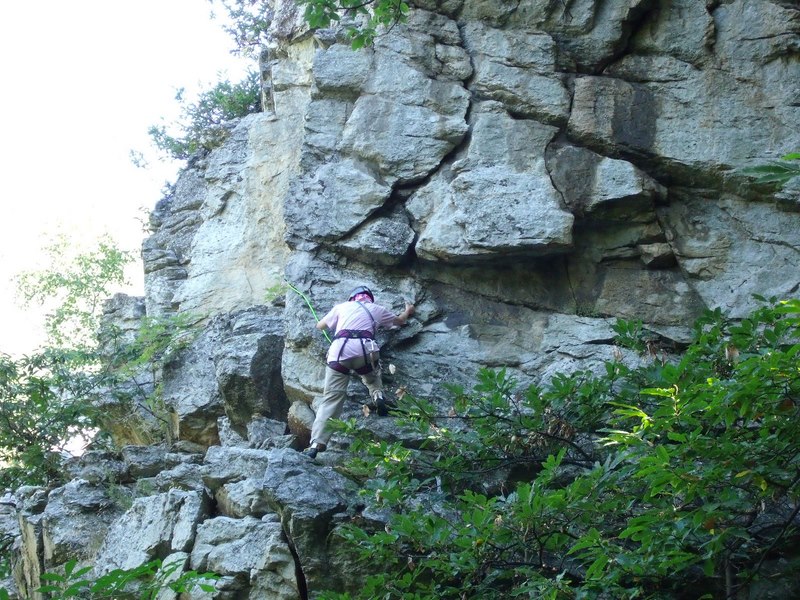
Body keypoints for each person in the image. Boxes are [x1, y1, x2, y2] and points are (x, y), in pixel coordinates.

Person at [303, 285, 415, 459]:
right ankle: (378, 396)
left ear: (352, 298)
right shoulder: (377, 309)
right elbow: (399, 321)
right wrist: (408, 311)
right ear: (369, 298)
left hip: (340, 351)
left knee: (332, 397)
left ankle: (316, 444)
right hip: (366, 351)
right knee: (372, 377)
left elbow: (320, 326)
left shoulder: (341, 307)